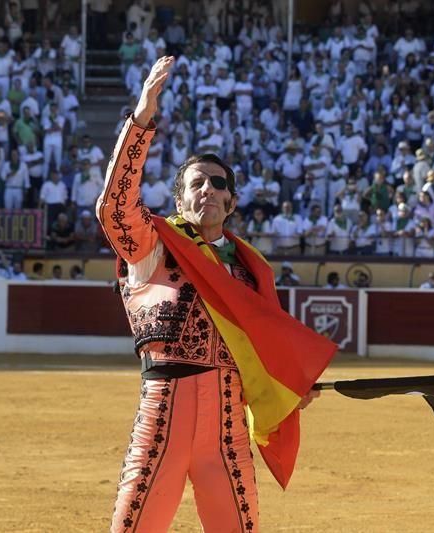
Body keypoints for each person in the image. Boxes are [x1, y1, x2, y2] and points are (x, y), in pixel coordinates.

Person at [97, 56, 330, 533]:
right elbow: (114, 208)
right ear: (179, 200)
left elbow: (268, 351)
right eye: (195, 183)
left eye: (217, 184)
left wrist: (291, 387)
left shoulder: (252, 270)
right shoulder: (153, 247)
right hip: (163, 414)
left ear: (232, 201)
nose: (207, 190)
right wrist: (140, 122)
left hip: (226, 425)